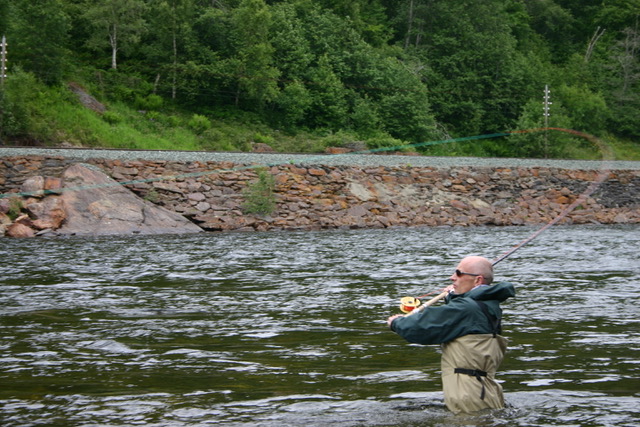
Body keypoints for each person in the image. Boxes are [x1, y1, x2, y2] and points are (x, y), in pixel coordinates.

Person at [387, 256, 515, 414]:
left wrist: (396, 323)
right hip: (486, 391)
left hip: (469, 395)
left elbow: (419, 328)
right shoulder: (486, 305)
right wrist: (452, 296)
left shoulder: (467, 309)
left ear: (477, 280)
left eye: (459, 273)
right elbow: (458, 317)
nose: (452, 277)